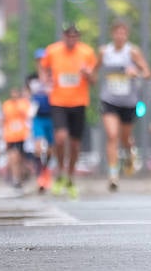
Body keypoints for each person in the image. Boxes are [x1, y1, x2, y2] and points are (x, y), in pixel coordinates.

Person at [39, 23, 99, 199]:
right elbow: (43, 66)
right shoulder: (53, 51)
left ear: (78, 37)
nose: (71, 39)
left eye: (75, 36)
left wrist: (87, 73)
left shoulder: (87, 53)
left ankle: (70, 176)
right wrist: (45, 80)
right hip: (58, 100)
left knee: (74, 144)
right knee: (60, 137)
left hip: (79, 102)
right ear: (63, 36)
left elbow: (94, 79)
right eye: (68, 35)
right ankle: (60, 170)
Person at [99, 19, 151, 192]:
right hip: (109, 100)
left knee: (124, 138)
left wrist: (135, 72)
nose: (120, 36)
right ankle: (113, 175)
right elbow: (93, 70)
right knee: (112, 135)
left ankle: (130, 152)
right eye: (117, 33)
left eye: (123, 33)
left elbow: (147, 73)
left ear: (126, 35)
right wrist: (88, 74)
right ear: (112, 34)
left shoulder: (133, 52)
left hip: (128, 102)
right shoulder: (105, 52)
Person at [26, 69, 56, 193]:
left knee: (50, 149)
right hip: (38, 118)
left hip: (52, 116)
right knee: (38, 147)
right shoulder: (33, 81)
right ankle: (40, 178)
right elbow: (28, 93)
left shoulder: (54, 79)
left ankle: (46, 172)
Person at [1, 86, 31, 188]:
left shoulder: (23, 103)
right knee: (14, 157)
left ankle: (23, 174)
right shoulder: (7, 105)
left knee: (21, 159)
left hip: (22, 136)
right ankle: (15, 178)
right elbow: (4, 119)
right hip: (10, 136)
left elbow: (27, 115)